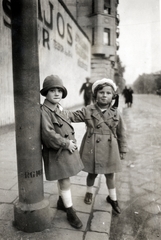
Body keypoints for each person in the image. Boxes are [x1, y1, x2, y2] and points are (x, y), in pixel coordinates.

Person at [69, 78, 127, 214]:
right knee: (92, 173)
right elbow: (72, 116)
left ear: (113, 96)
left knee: (110, 175)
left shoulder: (116, 113)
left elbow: (122, 132)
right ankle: (89, 192)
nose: (104, 95)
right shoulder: (88, 110)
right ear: (95, 94)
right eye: (101, 92)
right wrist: (57, 110)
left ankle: (113, 198)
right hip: (92, 147)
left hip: (110, 147)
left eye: (108, 93)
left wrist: (123, 149)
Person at [40, 75, 84, 229]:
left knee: (64, 178)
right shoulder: (44, 111)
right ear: (46, 92)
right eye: (52, 90)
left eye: (59, 90)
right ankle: (70, 211)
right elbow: (48, 134)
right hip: (57, 150)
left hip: (63, 149)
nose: (57, 93)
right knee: (65, 180)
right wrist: (66, 143)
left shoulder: (58, 108)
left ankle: (61, 202)